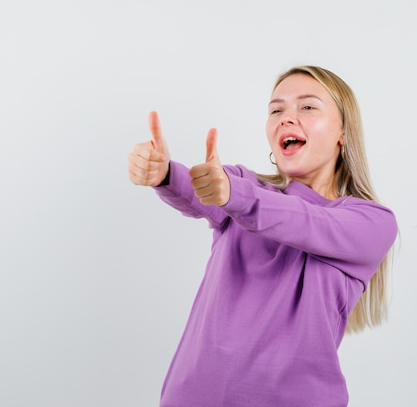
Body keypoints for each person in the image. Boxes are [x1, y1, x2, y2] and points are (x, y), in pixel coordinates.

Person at [127, 65, 398, 407]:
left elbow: (309, 224)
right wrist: (164, 173)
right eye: (276, 109)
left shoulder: (372, 222)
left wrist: (232, 195)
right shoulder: (241, 187)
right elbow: (199, 189)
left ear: (343, 130)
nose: (286, 118)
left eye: (308, 106)